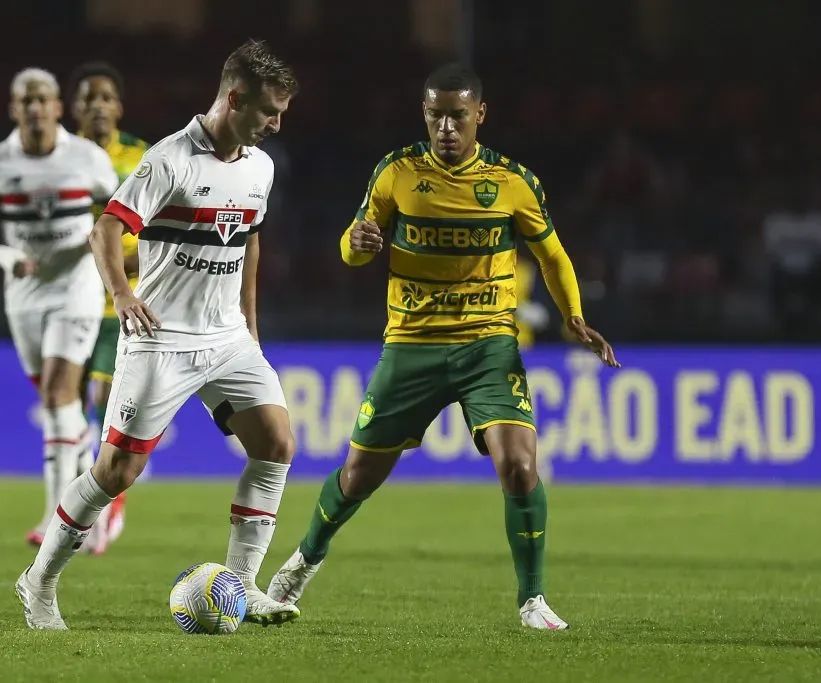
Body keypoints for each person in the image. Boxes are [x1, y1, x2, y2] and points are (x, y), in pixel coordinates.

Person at [266, 63, 620, 630]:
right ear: (424, 114)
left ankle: (532, 599)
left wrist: (573, 316)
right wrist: (354, 244)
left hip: (488, 346)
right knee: (358, 476)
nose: (446, 127)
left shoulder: (512, 181)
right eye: (436, 115)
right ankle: (304, 560)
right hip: (412, 344)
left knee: (520, 467)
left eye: (458, 115)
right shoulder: (397, 173)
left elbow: (552, 255)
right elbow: (354, 249)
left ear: (480, 114)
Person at [15, 39, 301, 630]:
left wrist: (250, 328)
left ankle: (243, 585)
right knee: (114, 473)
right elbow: (105, 231)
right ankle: (39, 581)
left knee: (275, 443)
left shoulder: (260, 167)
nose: (277, 124)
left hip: (227, 338)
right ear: (235, 97)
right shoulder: (170, 159)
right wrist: (123, 296)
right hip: (161, 337)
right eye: (269, 111)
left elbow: (249, 238)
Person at [0, 68, 119, 547]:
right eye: (24, 100)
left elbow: (116, 216)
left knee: (55, 391)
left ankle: (56, 515)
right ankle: (89, 475)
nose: (33, 108)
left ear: (56, 107)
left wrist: (95, 249)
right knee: (58, 406)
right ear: (13, 109)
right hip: (24, 296)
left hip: (77, 288)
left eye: (42, 99)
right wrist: (2, 254)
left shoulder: (87, 158)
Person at [68, 61, 150, 553]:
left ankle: (108, 501)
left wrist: (113, 262)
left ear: (119, 107)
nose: (98, 105)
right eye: (88, 97)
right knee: (71, 409)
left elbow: (157, 230)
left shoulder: (141, 157)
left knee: (102, 401)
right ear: (74, 108)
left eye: (106, 97)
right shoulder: (62, 158)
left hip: (118, 304)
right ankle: (87, 496)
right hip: (68, 302)